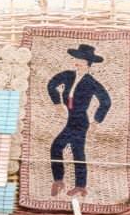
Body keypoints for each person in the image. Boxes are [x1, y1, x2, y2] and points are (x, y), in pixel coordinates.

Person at [47, 43, 112, 198]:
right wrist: (57, 103)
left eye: (80, 61)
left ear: (88, 64)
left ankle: (79, 186)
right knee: (58, 148)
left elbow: (106, 101)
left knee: (73, 151)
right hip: (70, 118)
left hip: (80, 121)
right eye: (76, 59)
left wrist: (96, 121)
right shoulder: (68, 75)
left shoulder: (91, 82)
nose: (76, 63)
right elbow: (51, 84)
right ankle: (60, 181)